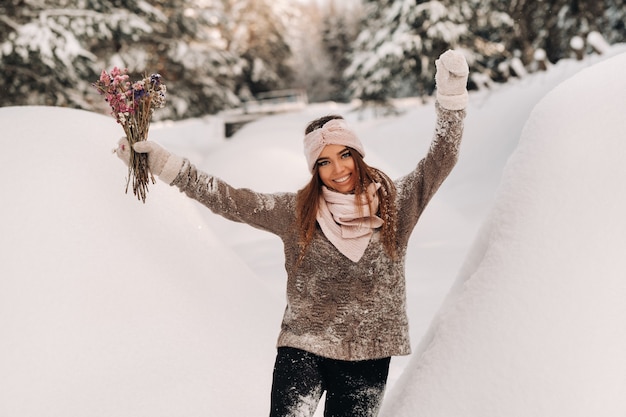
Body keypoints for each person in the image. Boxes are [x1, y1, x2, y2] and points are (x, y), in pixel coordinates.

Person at [115, 49, 469, 417]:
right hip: (304, 346)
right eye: (324, 162)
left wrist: (451, 95)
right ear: (314, 169)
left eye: (344, 155)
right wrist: (165, 165)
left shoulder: (396, 205)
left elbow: (442, 158)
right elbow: (231, 200)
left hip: (369, 353)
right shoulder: (297, 211)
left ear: (358, 155)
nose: (338, 169)